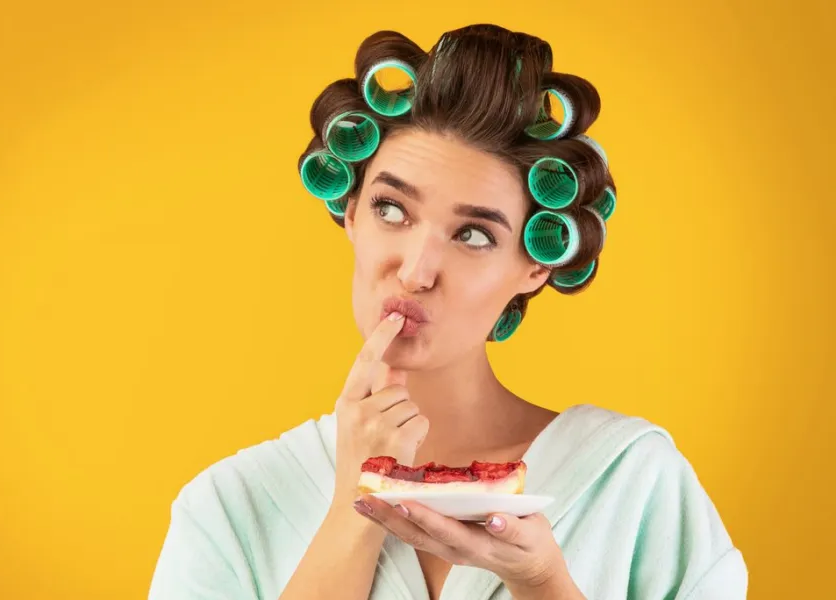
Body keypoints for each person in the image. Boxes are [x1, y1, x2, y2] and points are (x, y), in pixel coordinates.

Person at [147, 24, 747, 600]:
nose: (415, 270)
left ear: (535, 264)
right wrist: (353, 510)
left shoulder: (634, 483)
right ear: (350, 212)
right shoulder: (230, 507)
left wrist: (543, 584)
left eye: (475, 235)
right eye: (390, 209)